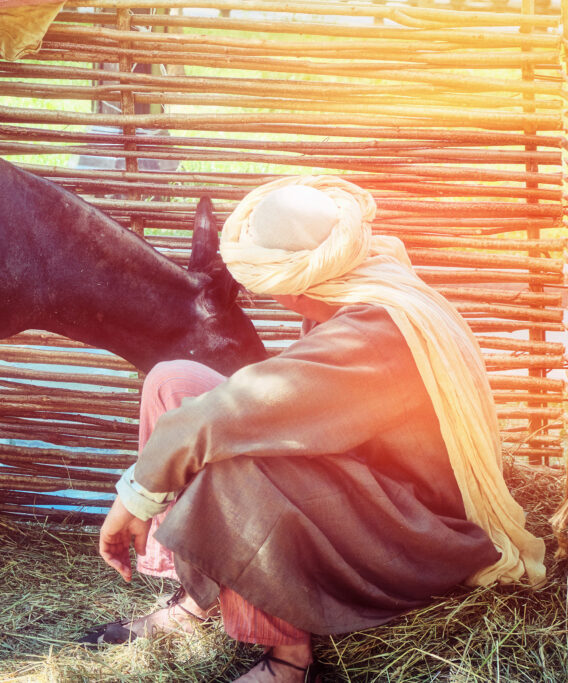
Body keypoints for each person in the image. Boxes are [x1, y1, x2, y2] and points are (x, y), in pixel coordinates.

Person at [78, 176, 547, 682]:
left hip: (414, 532)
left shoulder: (375, 328)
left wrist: (134, 497)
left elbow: (232, 415)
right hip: (362, 478)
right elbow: (259, 408)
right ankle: (200, 595)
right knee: (173, 381)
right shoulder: (363, 277)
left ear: (292, 286)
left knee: (236, 468)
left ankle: (288, 663)